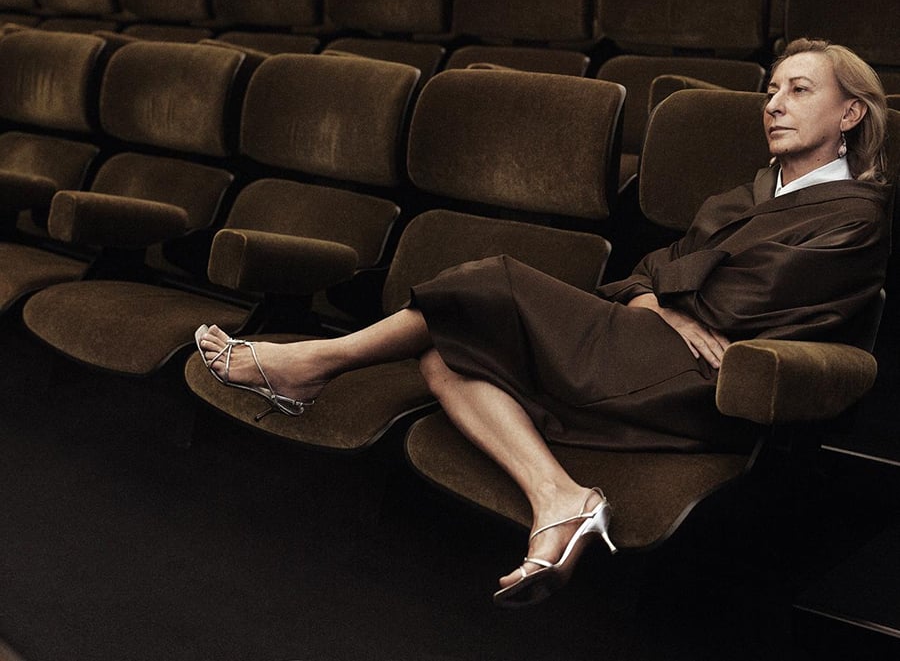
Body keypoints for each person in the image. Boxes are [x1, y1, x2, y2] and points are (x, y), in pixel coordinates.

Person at [195, 38, 891, 608]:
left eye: (799, 90)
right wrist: (658, 302)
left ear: (852, 113)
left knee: (491, 278)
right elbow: (652, 270)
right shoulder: (749, 192)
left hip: (706, 385)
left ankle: (314, 363)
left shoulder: (858, 216)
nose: (774, 104)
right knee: (445, 355)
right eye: (771, 90)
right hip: (650, 349)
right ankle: (558, 498)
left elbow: (738, 307)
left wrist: (667, 297)